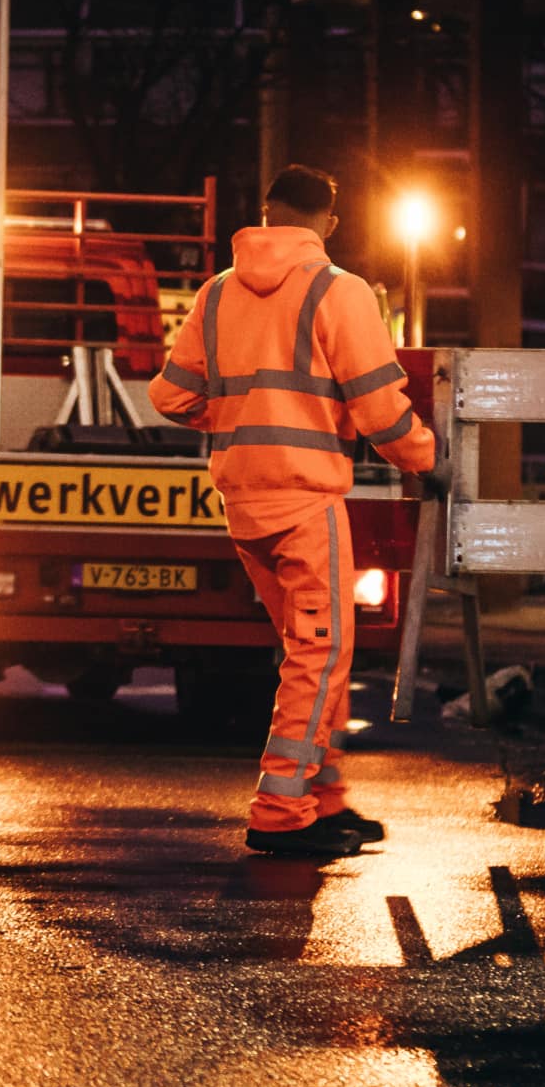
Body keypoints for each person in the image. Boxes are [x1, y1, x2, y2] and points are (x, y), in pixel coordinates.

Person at [149, 164, 439, 859]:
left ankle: (323, 797)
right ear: (329, 223)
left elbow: (169, 396)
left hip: (243, 502)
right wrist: (430, 458)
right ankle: (282, 807)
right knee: (323, 650)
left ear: (266, 212)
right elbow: (378, 409)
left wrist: (241, 417)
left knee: (311, 651)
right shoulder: (341, 291)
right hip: (305, 498)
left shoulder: (217, 293)